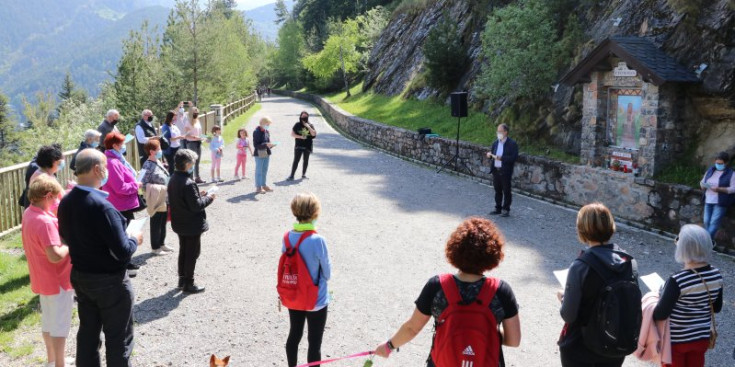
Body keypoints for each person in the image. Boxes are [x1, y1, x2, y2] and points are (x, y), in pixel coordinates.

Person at [373, 217, 521, 366]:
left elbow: (412, 328)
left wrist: (388, 346)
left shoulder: (437, 286)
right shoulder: (501, 291)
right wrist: (484, 332)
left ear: (454, 249)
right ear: (494, 253)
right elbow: (514, 340)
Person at [57, 149, 141, 366]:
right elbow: (123, 250)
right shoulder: (103, 207)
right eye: (105, 167)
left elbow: (64, 238)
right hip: (110, 281)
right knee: (118, 338)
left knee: (88, 333)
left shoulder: (66, 201)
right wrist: (135, 238)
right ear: (97, 169)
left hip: (81, 276)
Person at [557, 203, 639, 367]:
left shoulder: (581, 266)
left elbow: (568, 315)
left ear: (582, 229)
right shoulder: (629, 262)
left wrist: (562, 297)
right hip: (615, 342)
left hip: (581, 346)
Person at [653, 225, 723, 367]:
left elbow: (660, 314)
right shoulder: (717, 275)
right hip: (701, 339)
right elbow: (716, 307)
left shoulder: (677, 280)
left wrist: (653, 299)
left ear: (682, 249)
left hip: (676, 341)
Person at [22, 176, 73, 367]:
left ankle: (52, 360)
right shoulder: (45, 221)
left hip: (42, 278)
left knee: (49, 321)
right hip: (57, 280)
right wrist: (69, 243)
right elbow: (55, 255)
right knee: (60, 325)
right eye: (56, 198)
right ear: (48, 195)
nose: (57, 201)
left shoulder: (29, 213)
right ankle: (59, 364)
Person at [282, 193, 332, 367]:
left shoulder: (287, 237)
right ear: (314, 213)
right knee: (314, 343)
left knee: (294, 335)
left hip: (294, 296)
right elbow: (327, 273)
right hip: (315, 299)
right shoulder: (318, 240)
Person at [168, 149, 215, 293]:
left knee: (183, 250)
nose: (194, 165)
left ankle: (182, 279)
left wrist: (198, 195)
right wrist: (209, 198)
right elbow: (196, 206)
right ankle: (189, 283)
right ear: (188, 164)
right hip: (191, 224)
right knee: (192, 254)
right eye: (193, 163)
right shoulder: (188, 182)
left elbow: (185, 199)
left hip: (179, 222)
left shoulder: (173, 178)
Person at [141, 139, 174, 255]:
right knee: (156, 222)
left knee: (163, 221)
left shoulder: (158, 161)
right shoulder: (147, 165)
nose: (161, 150)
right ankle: (155, 247)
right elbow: (142, 184)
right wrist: (157, 188)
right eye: (158, 148)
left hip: (165, 196)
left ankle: (162, 243)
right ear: (151, 151)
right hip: (156, 197)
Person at [102, 132, 143, 222]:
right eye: (122, 144)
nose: (124, 146)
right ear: (115, 146)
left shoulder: (116, 159)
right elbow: (120, 187)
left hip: (121, 205)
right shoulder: (112, 163)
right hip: (120, 206)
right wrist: (136, 185)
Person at [699, 151, 735, 243]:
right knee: (706, 221)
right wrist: (703, 185)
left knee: (714, 222)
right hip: (708, 199)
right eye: (716, 163)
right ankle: (709, 242)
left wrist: (719, 189)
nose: (718, 165)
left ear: (726, 163)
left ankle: (705, 242)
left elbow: (733, 189)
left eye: (720, 163)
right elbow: (702, 181)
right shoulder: (710, 170)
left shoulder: (731, 174)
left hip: (721, 202)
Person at [486, 124, 519, 217]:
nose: (498, 133)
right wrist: (489, 155)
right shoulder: (495, 143)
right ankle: (498, 208)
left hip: (505, 171)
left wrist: (502, 158)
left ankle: (506, 209)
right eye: (498, 131)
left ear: (505, 132)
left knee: (506, 190)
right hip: (496, 170)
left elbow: (513, 158)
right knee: (497, 190)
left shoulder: (512, 144)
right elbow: (492, 154)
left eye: (500, 132)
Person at [29, 145, 67, 215]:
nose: (62, 163)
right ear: (54, 161)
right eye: (60, 161)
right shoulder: (43, 180)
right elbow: (52, 205)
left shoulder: (46, 174)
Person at [288, 111, 317, 180]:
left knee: (306, 160)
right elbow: (292, 134)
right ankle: (292, 175)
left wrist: (308, 127)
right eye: (302, 116)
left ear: (307, 117)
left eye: (305, 117)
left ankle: (303, 174)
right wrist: (300, 137)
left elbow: (314, 134)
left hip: (307, 145)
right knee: (296, 160)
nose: (303, 118)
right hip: (299, 145)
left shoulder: (311, 125)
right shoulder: (297, 124)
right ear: (300, 117)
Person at [253, 117, 276, 194]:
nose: (268, 125)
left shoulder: (267, 131)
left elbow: (267, 142)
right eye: (267, 124)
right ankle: (258, 187)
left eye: (269, 124)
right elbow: (256, 145)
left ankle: (264, 185)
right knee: (259, 170)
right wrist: (266, 144)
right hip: (259, 153)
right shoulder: (256, 132)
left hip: (266, 152)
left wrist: (271, 145)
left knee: (264, 169)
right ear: (262, 123)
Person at [184, 106, 206, 183]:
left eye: (197, 113)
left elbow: (200, 133)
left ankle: (197, 177)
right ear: (191, 113)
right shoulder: (188, 122)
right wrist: (194, 137)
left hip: (198, 142)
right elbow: (186, 135)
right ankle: (190, 177)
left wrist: (205, 138)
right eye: (194, 113)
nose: (196, 114)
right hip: (191, 143)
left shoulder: (198, 121)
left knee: (198, 160)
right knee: (191, 160)